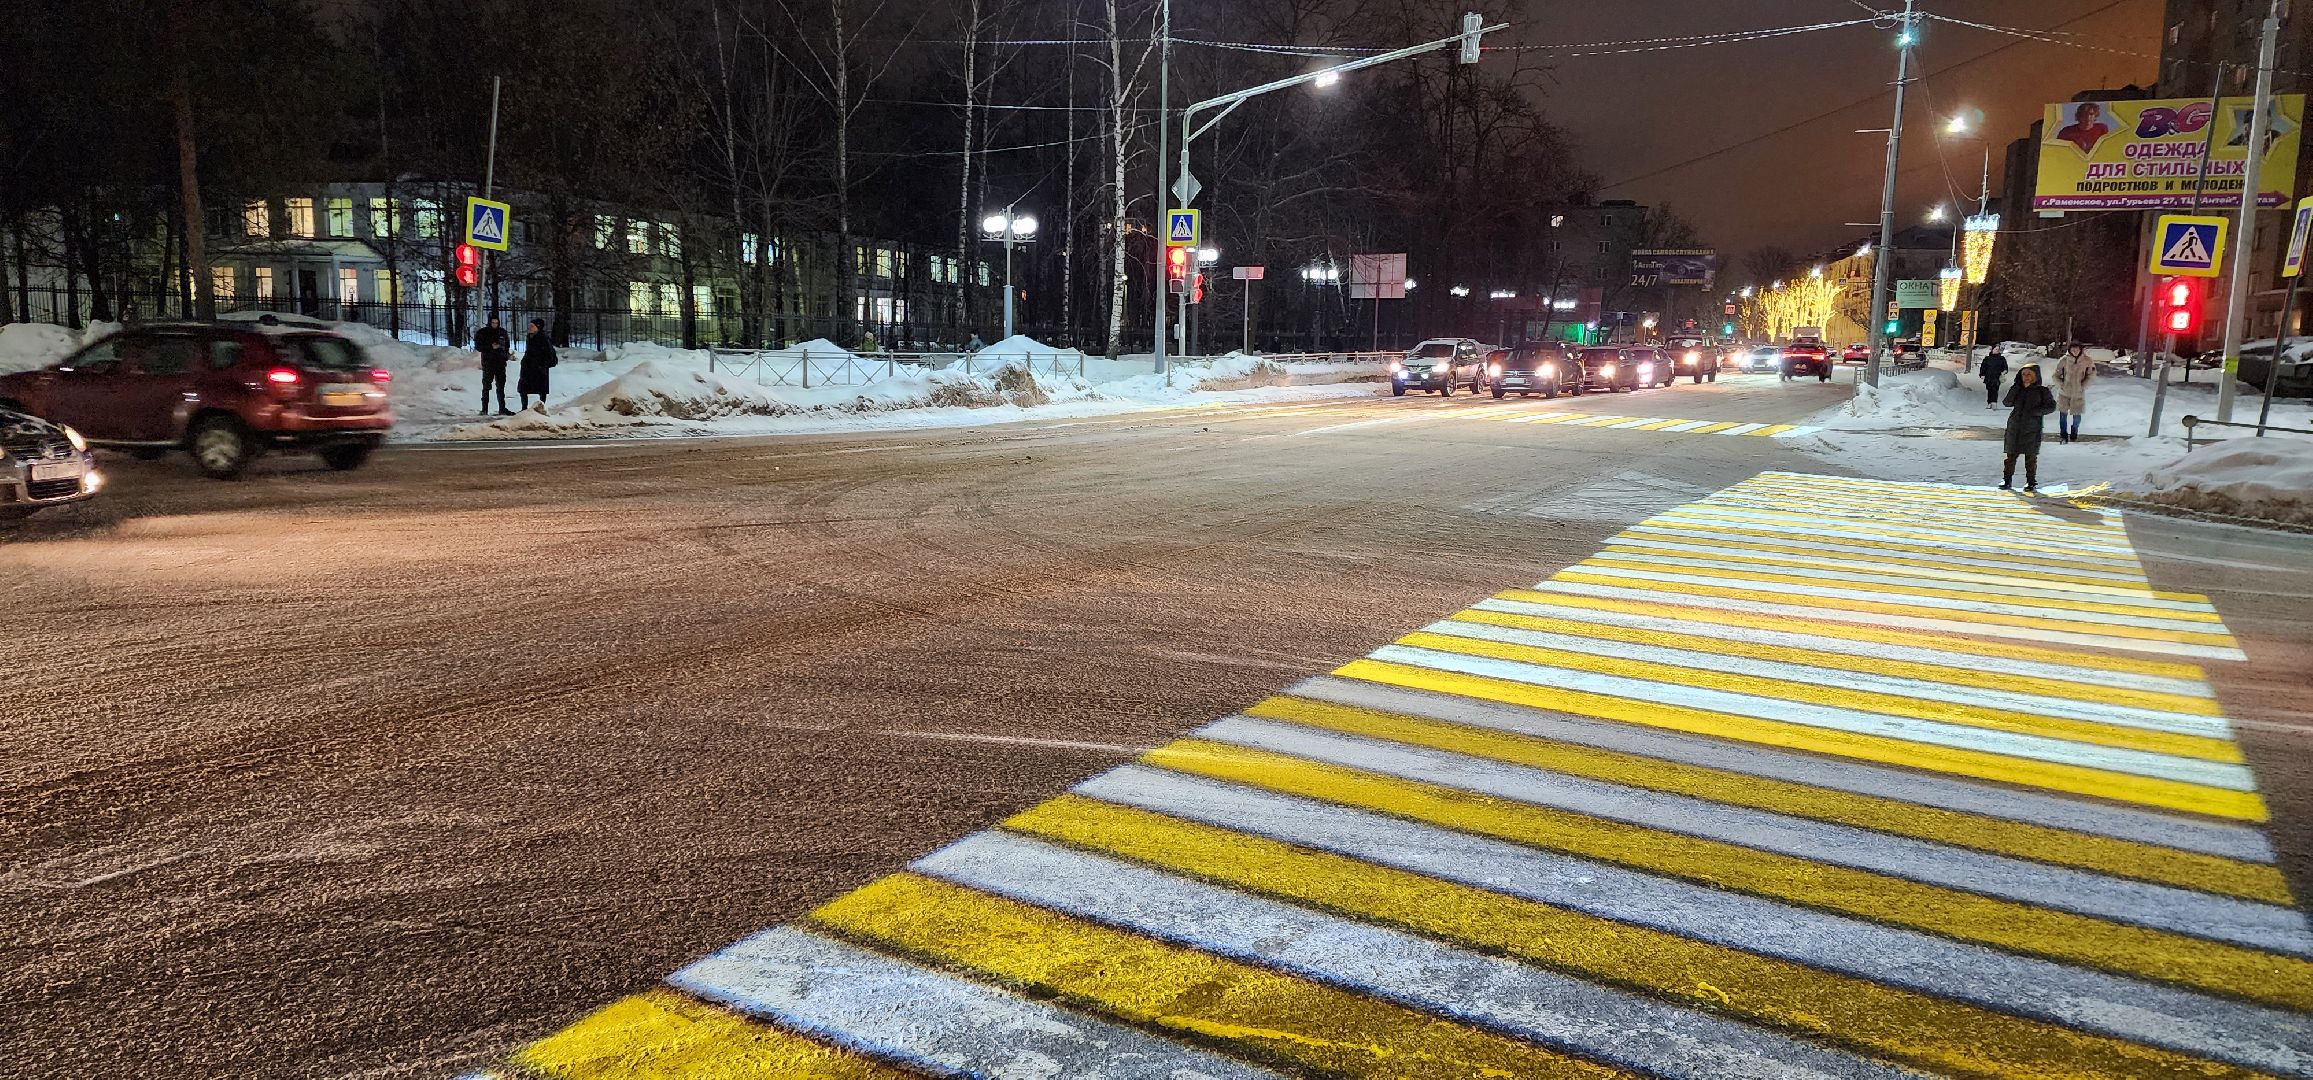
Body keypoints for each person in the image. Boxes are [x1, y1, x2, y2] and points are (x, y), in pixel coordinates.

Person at [2001, 364, 2057, 492]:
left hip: (2032, 428)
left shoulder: (2042, 391)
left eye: (2029, 374)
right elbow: (2007, 402)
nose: (2026, 377)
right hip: (2015, 426)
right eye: (2023, 374)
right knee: (2011, 456)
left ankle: (2031, 482)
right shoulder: (2017, 389)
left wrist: (2036, 412)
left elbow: (2051, 406)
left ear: (2035, 376)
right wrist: (2015, 388)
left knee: (2030, 457)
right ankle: (2007, 479)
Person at [2052, 342, 2094, 443]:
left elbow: (2091, 375)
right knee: (2063, 416)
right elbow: (2055, 375)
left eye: (2077, 349)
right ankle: (2063, 435)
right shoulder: (2064, 360)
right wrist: (2061, 385)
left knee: (2077, 417)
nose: (2075, 351)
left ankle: (2074, 431)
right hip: (2064, 393)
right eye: (2072, 349)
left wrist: (2083, 386)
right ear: (2069, 350)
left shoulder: (2087, 361)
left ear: (2080, 350)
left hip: (2078, 393)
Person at [474, 316, 513, 416]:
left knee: (501, 387)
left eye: (496, 323)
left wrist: (506, 354)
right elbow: (478, 346)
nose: (495, 325)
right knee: (486, 386)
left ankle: (502, 408)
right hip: (488, 363)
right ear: (489, 323)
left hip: (500, 363)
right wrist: (490, 347)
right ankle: (484, 409)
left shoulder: (502, 332)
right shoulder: (484, 333)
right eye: (493, 323)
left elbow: (506, 345)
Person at [519, 318, 557, 411]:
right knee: (523, 388)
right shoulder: (529, 336)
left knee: (541, 388)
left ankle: (541, 407)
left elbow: (549, 353)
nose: (530, 327)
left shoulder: (543, 338)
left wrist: (542, 364)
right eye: (530, 325)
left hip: (539, 368)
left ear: (538, 327)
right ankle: (524, 408)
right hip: (528, 367)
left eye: (532, 326)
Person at [1978, 345, 2009, 410]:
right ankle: (1989, 402)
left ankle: (1994, 402)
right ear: (1992, 350)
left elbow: (2005, 367)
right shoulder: (1987, 359)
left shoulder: (2002, 359)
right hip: (1988, 377)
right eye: (1996, 349)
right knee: (1989, 390)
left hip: (1997, 377)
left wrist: (2004, 371)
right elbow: (1983, 367)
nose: (1997, 350)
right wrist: (1982, 374)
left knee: (1995, 389)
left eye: (1998, 349)